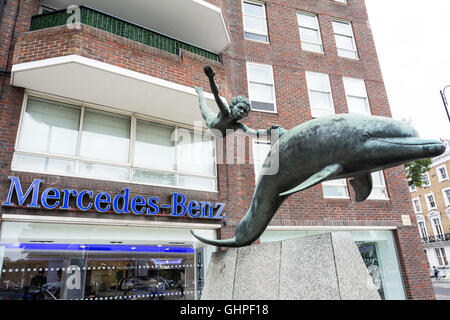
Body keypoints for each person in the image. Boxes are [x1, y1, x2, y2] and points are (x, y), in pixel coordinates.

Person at [194, 65, 287, 139]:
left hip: (219, 134)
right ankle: (200, 91)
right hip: (210, 121)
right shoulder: (224, 111)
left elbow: (255, 133)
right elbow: (216, 95)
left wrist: (269, 130)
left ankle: (200, 91)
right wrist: (211, 78)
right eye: (240, 108)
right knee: (203, 104)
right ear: (233, 106)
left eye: (245, 112)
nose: (242, 112)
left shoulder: (238, 126)